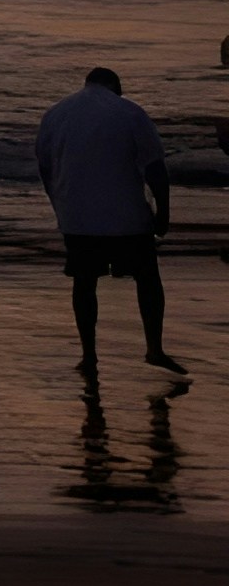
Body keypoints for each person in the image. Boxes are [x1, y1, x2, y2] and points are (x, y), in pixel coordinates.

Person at [35, 68, 182, 376]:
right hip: (127, 217)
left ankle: (89, 354)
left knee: (84, 283)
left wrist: (61, 211)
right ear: (116, 86)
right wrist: (164, 213)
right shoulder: (129, 112)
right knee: (148, 280)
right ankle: (154, 348)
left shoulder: (56, 114)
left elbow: (47, 169)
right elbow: (155, 169)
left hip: (78, 218)